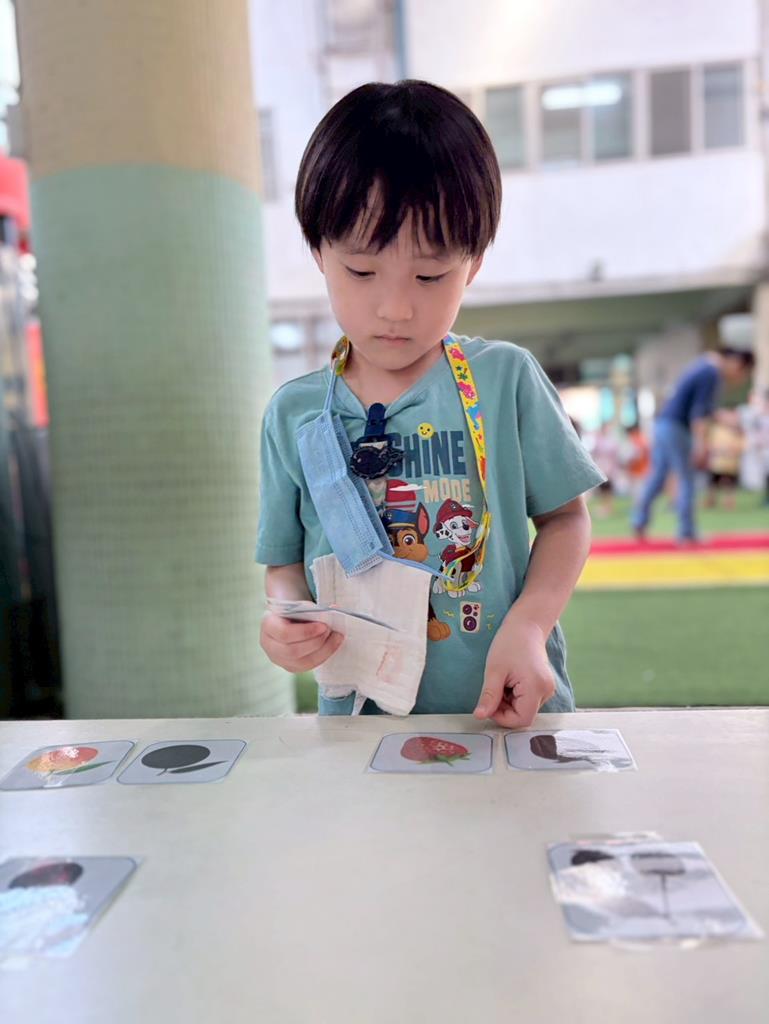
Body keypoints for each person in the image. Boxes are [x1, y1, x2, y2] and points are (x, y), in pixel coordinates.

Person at [255, 81, 604, 727]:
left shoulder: (504, 379)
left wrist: (530, 626)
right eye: (361, 271)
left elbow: (565, 520)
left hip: (506, 709)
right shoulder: (294, 414)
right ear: (319, 252)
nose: (395, 308)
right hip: (362, 726)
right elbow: (283, 565)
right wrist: (285, 620)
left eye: (430, 275)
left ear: (473, 264)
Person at [631, 347, 754, 542]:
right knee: (686, 478)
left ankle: (639, 520)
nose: (737, 379)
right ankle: (687, 530)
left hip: (664, 424)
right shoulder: (711, 372)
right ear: (737, 363)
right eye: (742, 374)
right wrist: (701, 445)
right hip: (677, 428)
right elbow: (699, 415)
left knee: (658, 476)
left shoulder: (703, 365)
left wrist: (726, 419)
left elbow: (704, 409)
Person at [703, 411, 744, 511]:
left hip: (731, 463)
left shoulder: (738, 432)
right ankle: (711, 500)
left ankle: (729, 501)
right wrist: (717, 450)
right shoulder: (716, 430)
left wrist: (732, 451)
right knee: (713, 482)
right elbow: (709, 444)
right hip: (717, 463)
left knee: (730, 483)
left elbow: (741, 445)